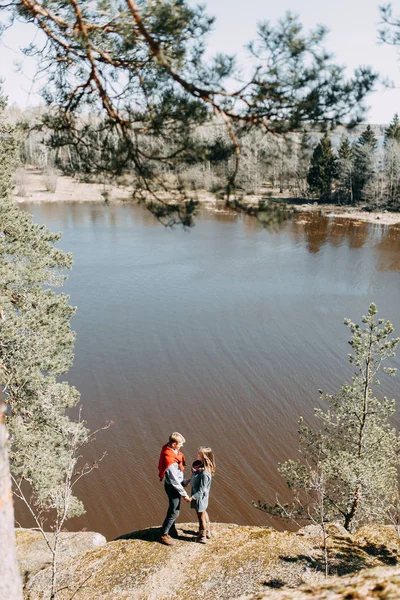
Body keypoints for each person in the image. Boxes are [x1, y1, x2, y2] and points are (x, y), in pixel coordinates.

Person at [158, 432, 193, 546]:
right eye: (180, 444)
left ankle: (171, 529)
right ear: (173, 444)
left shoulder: (170, 450)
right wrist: (184, 494)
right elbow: (174, 481)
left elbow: (178, 476)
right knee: (174, 512)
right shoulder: (169, 460)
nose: (181, 446)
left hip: (176, 483)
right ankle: (164, 534)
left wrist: (185, 481)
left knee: (172, 509)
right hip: (172, 487)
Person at [188, 447, 216, 544]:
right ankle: (207, 531)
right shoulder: (205, 468)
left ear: (204, 457)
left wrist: (192, 497)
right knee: (204, 512)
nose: (197, 454)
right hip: (204, 497)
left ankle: (202, 536)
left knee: (200, 517)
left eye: (199, 453)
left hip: (200, 497)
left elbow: (202, 489)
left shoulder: (205, 473)